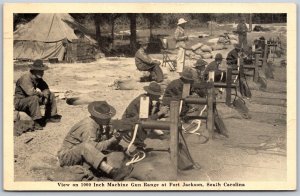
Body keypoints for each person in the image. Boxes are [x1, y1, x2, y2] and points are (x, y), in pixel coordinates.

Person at [57, 101, 133, 181]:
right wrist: (113, 140)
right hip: (66, 156)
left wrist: (118, 135)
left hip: (81, 156)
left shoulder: (97, 122)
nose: (109, 119)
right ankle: (111, 171)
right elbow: (92, 148)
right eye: (106, 117)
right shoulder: (88, 126)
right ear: (98, 117)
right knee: (85, 146)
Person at [122, 82, 169, 153]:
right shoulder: (144, 101)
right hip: (128, 126)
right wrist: (160, 113)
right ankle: (138, 146)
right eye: (158, 95)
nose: (159, 97)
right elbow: (145, 121)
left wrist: (157, 109)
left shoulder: (146, 98)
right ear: (152, 94)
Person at [14, 59, 61, 130]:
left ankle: (50, 116)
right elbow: (31, 93)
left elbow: (46, 88)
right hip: (20, 102)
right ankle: (36, 121)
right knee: (34, 98)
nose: (42, 73)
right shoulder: (25, 78)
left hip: (31, 101)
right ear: (34, 71)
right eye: (39, 71)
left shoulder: (38, 78)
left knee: (51, 94)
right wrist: (43, 95)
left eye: (42, 71)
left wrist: (46, 95)